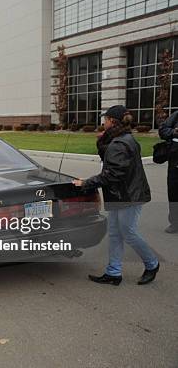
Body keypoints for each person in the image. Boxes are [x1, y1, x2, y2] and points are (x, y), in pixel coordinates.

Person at [73, 105, 159, 285]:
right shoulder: (121, 139)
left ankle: (152, 264)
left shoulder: (120, 143)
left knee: (128, 232)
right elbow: (111, 160)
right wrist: (102, 142)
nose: (103, 122)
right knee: (115, 233)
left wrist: (86, 183)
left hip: (128, 196)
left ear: (112, 121)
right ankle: (113, 272)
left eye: (105, 119)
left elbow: (112, 173)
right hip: (121, 194)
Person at [158, 109, 178, 234]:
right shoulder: (176, 115)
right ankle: (175, 223)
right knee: (174, 193)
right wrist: (175, 132)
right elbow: (163, 131)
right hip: (175, 164)